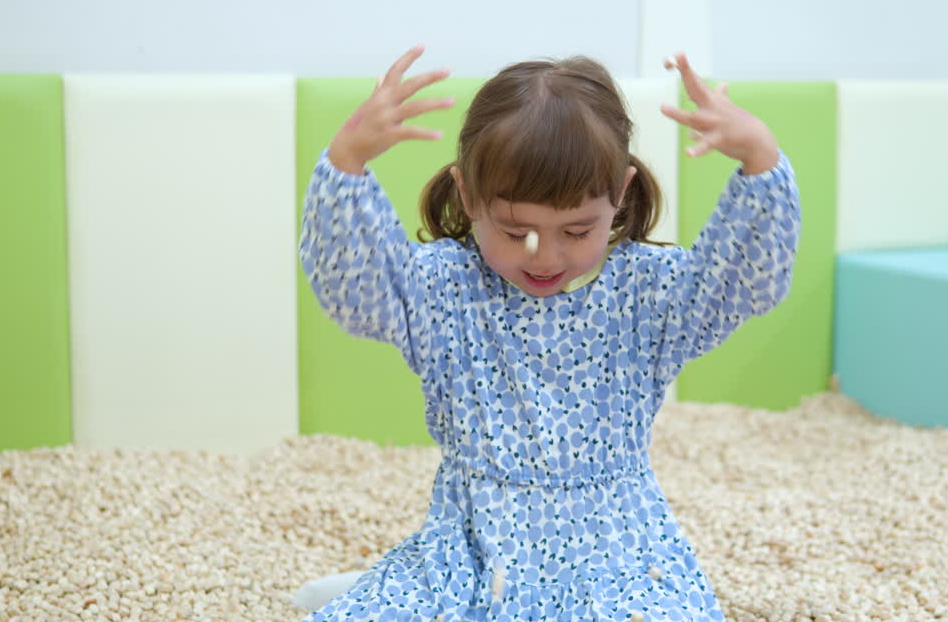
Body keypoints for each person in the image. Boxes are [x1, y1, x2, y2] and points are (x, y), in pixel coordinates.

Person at [297, 45, 800, 622]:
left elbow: (742, 283)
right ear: (468, 197)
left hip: (619, 554)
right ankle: (383, 584)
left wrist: (760, 157)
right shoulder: (443, 288)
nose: (544, 254)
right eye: (514, 231)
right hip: (472, 550)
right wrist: (347, 160)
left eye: (578, 229)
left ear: (620, 196)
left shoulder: (648, 292)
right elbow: (356, 289)